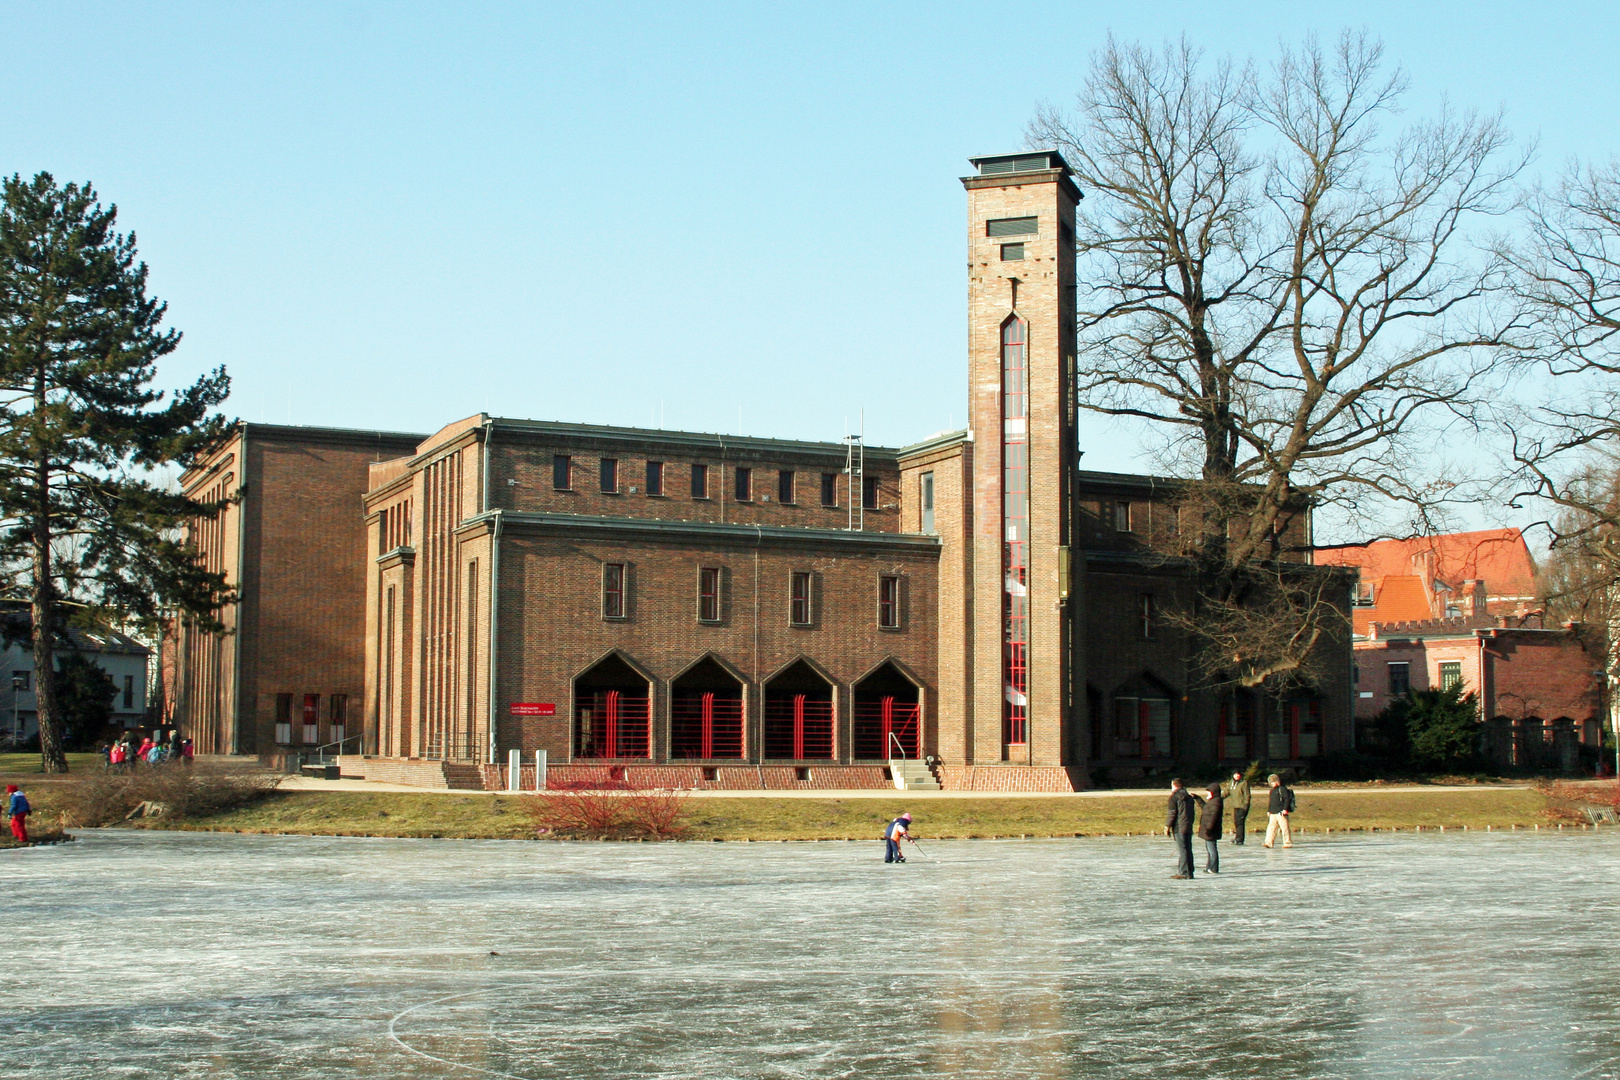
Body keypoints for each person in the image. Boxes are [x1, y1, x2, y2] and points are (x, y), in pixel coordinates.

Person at [1164, 778, 1197, 879]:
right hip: (1188, 826)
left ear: (1174, 786)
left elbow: (1172, 813)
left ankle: (1183, 872)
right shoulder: (1189, 797)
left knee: (1182, 850)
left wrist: (1167, 826)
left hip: (1179, 826)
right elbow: (1192, 813)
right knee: (1188, 849)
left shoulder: (1174, 798)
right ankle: (1190, 872)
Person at [1264, 773, 1295, 849]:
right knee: (1271, 828)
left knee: (1284, 828)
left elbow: (1286, 799)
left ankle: (1287, 842)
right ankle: (1269, 842)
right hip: (1273, 812)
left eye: (1274, 782)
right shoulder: (1272, 791)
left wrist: (1285, 809)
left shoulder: (1282, 789)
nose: (1272, 784)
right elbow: (1271, 801)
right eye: (1271, 782)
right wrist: (1269, 810)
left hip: (1281, 812)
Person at [1197, 784, 1224, 874]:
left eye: (1209, 792)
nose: (1208, 793)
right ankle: (1209, 866)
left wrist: (1209, 828)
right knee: (1209, 849)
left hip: (1211, 830)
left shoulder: (1216, 801)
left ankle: (1213, 868)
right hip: (1209, 829)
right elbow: (1205, 809)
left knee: (1212, 849)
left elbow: (1213, 816)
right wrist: (1198, 799)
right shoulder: (1212, 801)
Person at [1223, 770, 1252, 845]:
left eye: (1238, 774)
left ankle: (1240, 839)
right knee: (1236, 822)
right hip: (1236, 805)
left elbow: (1247, 795)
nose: (1236, 776)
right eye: (1235, 774)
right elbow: (1226, 792)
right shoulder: (1231, 783)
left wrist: (1246, 804)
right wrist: (1217, 797)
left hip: (1242, 806)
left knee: (1240, 822)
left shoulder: (1244, 783)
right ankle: (1237, 837)